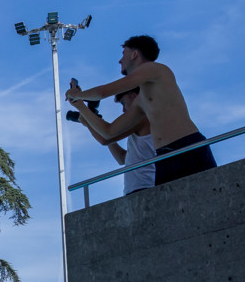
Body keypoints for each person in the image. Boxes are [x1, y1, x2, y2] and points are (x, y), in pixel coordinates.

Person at [66, 37, 213, 186]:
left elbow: (103, 92)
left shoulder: (154, 68)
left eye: (123, 53)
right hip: (163, 157)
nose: (120, 60)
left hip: (187, 147)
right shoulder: (142, 100)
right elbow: (109, 133)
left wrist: (76, 94)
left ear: (135, 54)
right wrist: (80, 105)